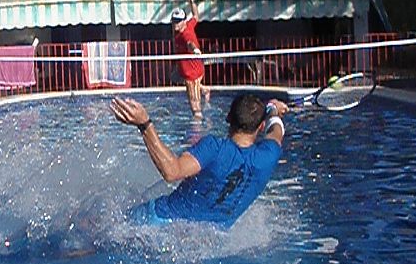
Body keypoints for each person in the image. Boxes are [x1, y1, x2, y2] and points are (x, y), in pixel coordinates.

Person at [110, 94, 289, 227]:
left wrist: (144, 124)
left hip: (161, 221)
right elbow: (276, 130)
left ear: (228, 118)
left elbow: (172, 172)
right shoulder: (269, 155)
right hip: (207, 240)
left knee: (95, 234)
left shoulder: (214, 148)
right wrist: (272, 108)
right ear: (261, 126)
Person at [171, 0, 209, 118]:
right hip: (187, 69)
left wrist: (195, 50)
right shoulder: (188, 25)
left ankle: (198, 129)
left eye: (177, 21)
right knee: (174, 77)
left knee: (194, 105)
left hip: (192, 74)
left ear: (183, 21)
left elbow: (190, 44)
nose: (175, 23)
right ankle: (204, 89)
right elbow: (196, 16)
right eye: (173, 21)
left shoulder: (185, 34)